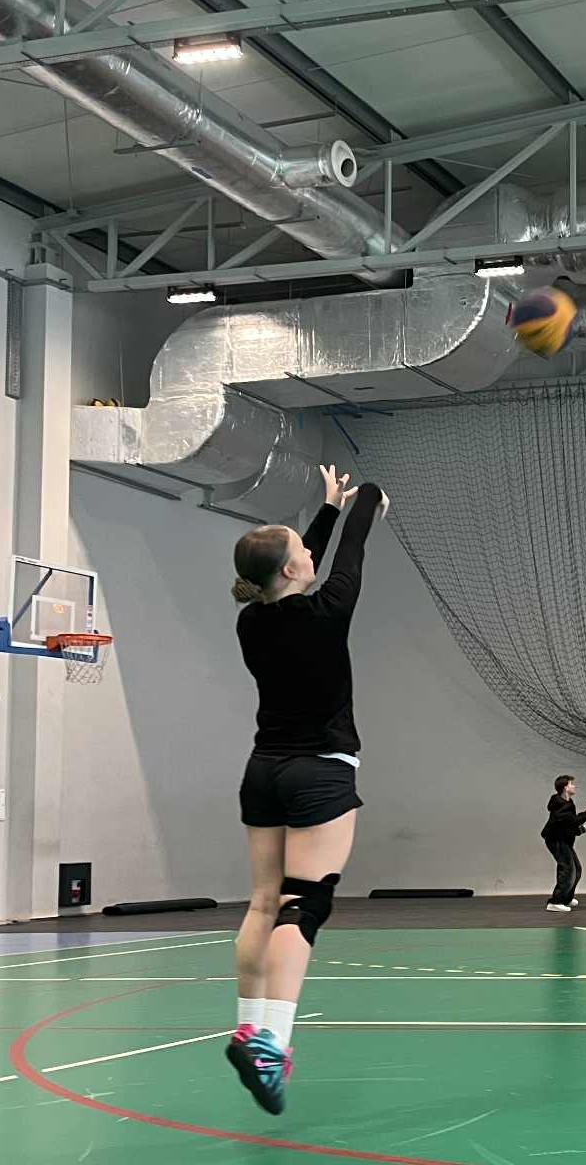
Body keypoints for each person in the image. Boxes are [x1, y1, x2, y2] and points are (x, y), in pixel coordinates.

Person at [225, 465, 386, 1115]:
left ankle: (248, 1027)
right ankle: (272, 1044)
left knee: (263, 902)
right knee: (305, 904)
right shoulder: (326, 612)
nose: (311, 555)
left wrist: (327, 509)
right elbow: (350, 554)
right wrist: (369, 500)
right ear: (292, 570)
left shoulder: (252, 622)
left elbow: (307, 564)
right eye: (301, 550)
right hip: (319, 772)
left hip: (264, 769)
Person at [542, 775, 586, 912]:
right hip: (555, 840)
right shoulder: (560, 805)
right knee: (567, 869)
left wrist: (580, 829)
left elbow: (568, 825)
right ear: (565, 787)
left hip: (563, 839)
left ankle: (566, 898)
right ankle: (555, 902)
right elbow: (572, 821)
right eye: (571, 784)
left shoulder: (568, 803)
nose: (574, 786)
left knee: (577, 869)